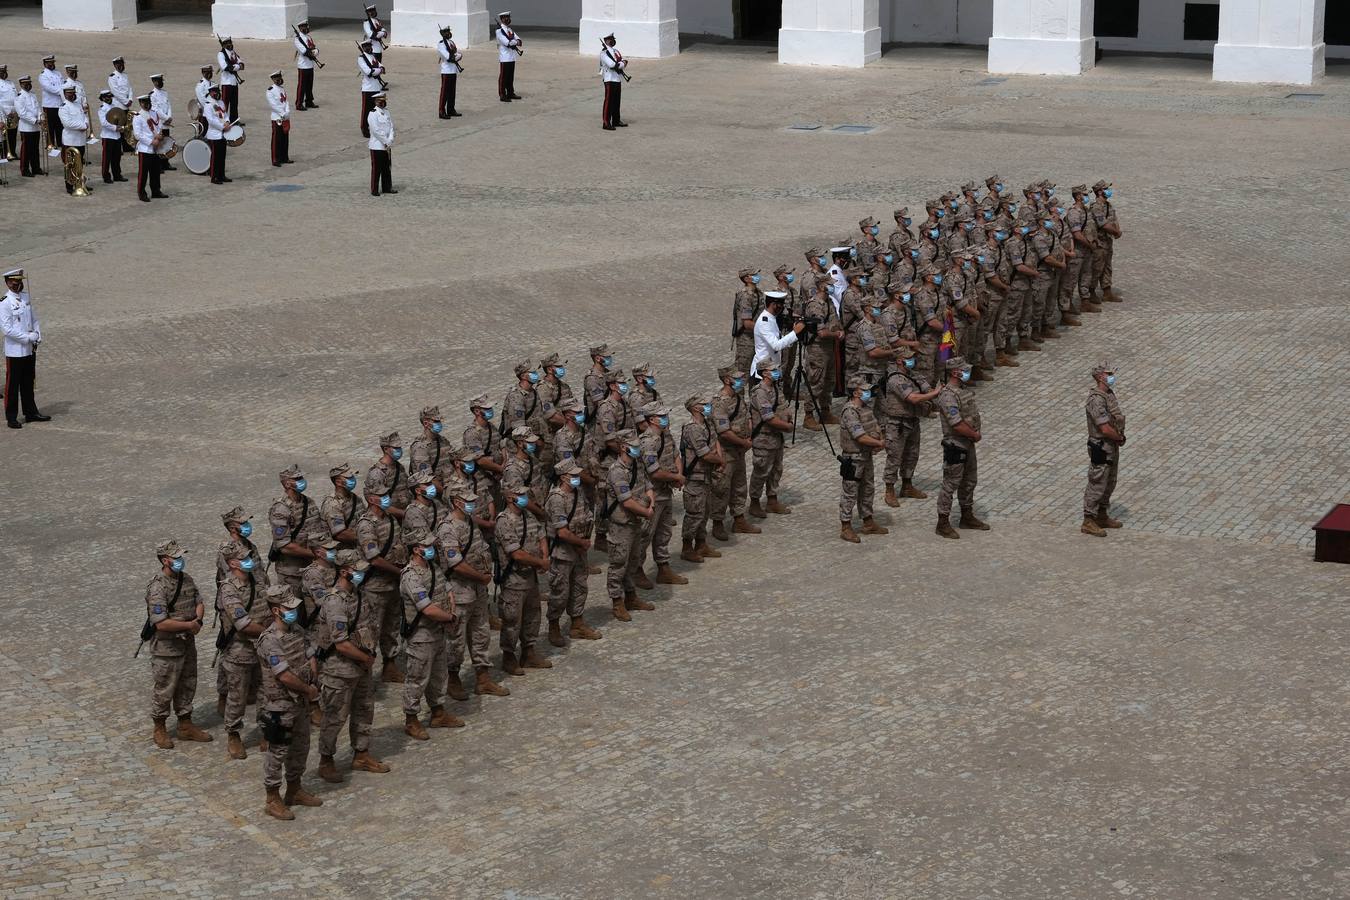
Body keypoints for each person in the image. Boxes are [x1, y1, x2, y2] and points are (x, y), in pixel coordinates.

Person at [315, 550, 390, 783]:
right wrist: (365, 658)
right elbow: (341, 643)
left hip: (361, 666)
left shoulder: (358, 595)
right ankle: (326, 760)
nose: (362, 572)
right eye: (357, 569)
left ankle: (361, 753)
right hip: (340, 669)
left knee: (364, 710)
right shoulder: (335, 601)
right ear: (345, 571)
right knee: (335, 716)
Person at [256, 584, 323, 820]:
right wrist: (309, 690)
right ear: (276, 610)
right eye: (288, 607)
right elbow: (283, 675)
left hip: (301, 702)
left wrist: (312, 678)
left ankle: (295, 789)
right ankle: (272, 797)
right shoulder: (269, 640)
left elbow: (310, 653)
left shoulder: (297, 630)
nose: (293, 611)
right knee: (278, 751)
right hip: (280, 704)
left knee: (301, 746)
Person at [436, 482, 509, 697]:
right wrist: (481, 577)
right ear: (457, 502)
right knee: (456, 640)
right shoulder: (447, 528)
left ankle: (483, 678)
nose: (472, 503)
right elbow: (455, 563)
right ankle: (453, 679)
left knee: (481, 634)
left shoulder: (469, 522)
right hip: (459, 592)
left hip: (477, 590)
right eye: (467, 500)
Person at [144, 540, 212, 750]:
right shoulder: (158, 587)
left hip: (186, 643)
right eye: (176, 557)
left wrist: (198, 622)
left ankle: (185, 724)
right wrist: (188, 624)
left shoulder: (187, 579)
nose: (181, 560)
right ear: (165, 560)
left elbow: (199, 601)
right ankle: (159, 727)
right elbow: (160, 622)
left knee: (187, 683)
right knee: (165, 688)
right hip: (167, 648)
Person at [400, 528, 461, 739]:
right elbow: (426, 609)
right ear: (416, 549)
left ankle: (438, 712)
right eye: (426, 546)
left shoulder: (433, 568)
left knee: (438, 674)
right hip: (421, 635)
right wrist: (450, 618)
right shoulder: (410, 575)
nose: (431, 549)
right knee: (417, 678)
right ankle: (411, 719)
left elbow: (448, 590)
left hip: (438, 631)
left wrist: (451, 611)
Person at [216, 543, 269, 760]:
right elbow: (243, 625)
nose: (250, 560)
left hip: (262, 648)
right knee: (237, 695)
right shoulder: (228, 589)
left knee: (266, 691)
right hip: (240, 650)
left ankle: (265, 730)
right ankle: (233, 733)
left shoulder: (258, 580)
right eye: (244, 557)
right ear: (232, 563)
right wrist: (270, 631)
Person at [495, 482, 552, 674]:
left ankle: (529, 653)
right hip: (513, 579)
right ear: (510, 497)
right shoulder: (504, 521)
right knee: (512, 620)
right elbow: (516, 554)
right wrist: (540, 563)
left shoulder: (528, 516)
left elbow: (541, 536)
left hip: (531, 576)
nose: (524, 498)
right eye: (520, 495)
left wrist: (544, 557)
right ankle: (509, 657)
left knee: (533, 615)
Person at [544, 458, 600, 644]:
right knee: (560, 591)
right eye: (573, 475)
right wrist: (581, 543)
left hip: (579, 549)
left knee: (579, 586)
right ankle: (554, 626)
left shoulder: (578, 493)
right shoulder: (556, 499)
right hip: (562, 553)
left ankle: (577, 623)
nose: (577, 477)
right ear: (563, 477)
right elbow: (562, 531)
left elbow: (587, 515)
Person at [355, 484, 407, 683]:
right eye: (382, 495)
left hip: (392, 584)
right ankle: (364, 676)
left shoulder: (391, 520)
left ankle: (390, 665)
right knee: (371, 630)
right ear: (371, 499)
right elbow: (374, 558)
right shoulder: (366, 525)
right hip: (375, 586)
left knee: (392, 626)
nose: (386, 497)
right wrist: (399, 571)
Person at [877, 346, 939, 505]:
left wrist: (933, 393)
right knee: (894, 457)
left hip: (912, 420)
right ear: (899, 360)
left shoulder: (914, 376)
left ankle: (907, 485)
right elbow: (912, 398)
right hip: (896, 424)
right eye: (908, 357)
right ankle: (889, 489)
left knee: (912, 454)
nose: (912, 360)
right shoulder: (895, 379)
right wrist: (934, 394)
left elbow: (926, 388)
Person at [934, 356, 989, 539]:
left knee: (969, 480)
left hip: (968, 443)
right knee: (951, 483)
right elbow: (956, 423)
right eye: (964, 370)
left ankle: (967, 516)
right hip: (956, 445)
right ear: (956, 372)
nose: (968, 372)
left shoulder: (962, 391)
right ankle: (942, 522)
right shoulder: (948, 395)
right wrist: (974, 434)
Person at [603, 429, 654, 621]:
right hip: (622, 525)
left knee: (633, 561)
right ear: (624, 447)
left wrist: (652, 502)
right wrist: (647, 512)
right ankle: (617, 602)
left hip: (636, 523)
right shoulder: (616, 471)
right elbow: (627, 502)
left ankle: (631, 596)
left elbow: (648, 485)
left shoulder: (636, 465)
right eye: (633, 446)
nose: (637, 449)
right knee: (619, 564)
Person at [638, 402, 687, 584]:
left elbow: (675, 454)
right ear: (651, 419)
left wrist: (679, 475)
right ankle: (636, 570)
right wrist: (675, 478)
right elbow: (654, 472)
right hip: (652, 494)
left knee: (664, 531)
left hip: (665, 491)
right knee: (646, 535)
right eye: (662, 416)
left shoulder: (665, 435)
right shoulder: (648, 441)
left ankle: (663, 567)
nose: (666, 418)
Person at [837, 375, 888, 543]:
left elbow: (875, 427)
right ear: (856, 393)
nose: (868, 392)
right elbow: (859, 436)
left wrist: (878, 442)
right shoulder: (849, 411)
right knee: (850, 492)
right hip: (853, 458)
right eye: (864, 389)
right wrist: (878, 443)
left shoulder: (865, 408)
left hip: (866, 457)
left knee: (867, 489)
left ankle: (868, 521)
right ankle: (846, 526)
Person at [709, 367, 755, 540]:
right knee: (721, 487)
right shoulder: (719, 402)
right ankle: (718, 522)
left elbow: (745, 417)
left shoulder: (738, 397)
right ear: (727, 380)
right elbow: (724, 431)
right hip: (726, 450)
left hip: (739, 450)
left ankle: (739, 518)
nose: (742, 381)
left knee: (739, 484)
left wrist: (748, 434)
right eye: (738, 379)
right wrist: (744, 442)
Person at [1082, 362, 1126, 536]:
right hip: (1101, 445)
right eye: (1109, 373)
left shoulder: (1108, 394)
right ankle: (1088, 520)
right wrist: (1119, 437)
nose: (1112, 376)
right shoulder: (1096, 400)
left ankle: (1101, 514)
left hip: (1111, 444)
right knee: (1097, 482)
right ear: (1100, 376)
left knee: (1110, 481)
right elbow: (1105, 428)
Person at [680, 393, 725, 562]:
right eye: (704, 404)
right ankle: (687, 547)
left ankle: (701, 543)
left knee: (705, 511)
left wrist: (721, 459)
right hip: (695, 476)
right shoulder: (692, 428)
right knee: (694, 513)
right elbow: (704, 454)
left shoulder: (706, 423)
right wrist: (719, 460)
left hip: (707, 474)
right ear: (695, 408)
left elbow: (715, 442)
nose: (708, 406)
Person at [2, 269, 48, 428]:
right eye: (15, 282)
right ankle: (11, 417)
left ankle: (30, 412)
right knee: (12, 385)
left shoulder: (26, 297)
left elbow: (34, 319)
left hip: (29, 349)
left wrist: (37, 334)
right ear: (8, 283)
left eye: (20, 281)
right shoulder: (4, 302)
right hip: (15, 351)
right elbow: (7, 329)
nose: (19, 284)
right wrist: (28, 338)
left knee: (28, 382)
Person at [747, 362, 793, 517]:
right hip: (763, 438)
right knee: (761, 471)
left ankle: (772, 500)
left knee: (776, 470)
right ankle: (754, 502)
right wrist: (786, 427)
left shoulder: (775, 388)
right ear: (765, 373)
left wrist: (788, 419)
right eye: (773, 370)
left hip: (776, 437)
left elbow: (784, 407)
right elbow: (768, 418)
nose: (777, 371)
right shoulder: (759, 393)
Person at [268, 464, 318, 593]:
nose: (302, 481)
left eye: (301, 477)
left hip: (312, 568)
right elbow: (284, 546)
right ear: (287, 484)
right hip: (291, 573)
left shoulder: (309, 502)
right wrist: (314, 554)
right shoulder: (280, 509)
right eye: (297, 479)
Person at [752, 291, 805, 380]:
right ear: (773, 304)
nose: (782, 308)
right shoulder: (764, 322)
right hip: (763, 371)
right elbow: (776, 345)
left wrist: (794, 337)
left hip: (771, 367)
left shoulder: (771, 318)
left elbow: (778, 338)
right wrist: (795, 332)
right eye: (780, 305)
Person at [1089, 180, 1123, 302]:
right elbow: (1102, 224)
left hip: (1108, 241)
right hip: (1099, 242)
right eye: (1106, 189)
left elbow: (1114, 220)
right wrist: (1116, 232)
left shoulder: (1109, 206)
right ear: (1099, 192)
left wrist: (1117, 231)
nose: (1109, 191)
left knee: (1107, 267)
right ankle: (1090, 291)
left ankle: (1107, 291)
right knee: (1096, 267)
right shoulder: (1096, 207)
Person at [365, 430, 411, 517]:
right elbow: (380, 504)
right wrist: (404, 514)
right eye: (396, 448)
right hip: (390, 518)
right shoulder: (377, 474)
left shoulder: (399, 466)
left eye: (399, 447)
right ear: (386, 449)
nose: (399, 450)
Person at [131, 94, 167, 202]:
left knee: (155, 171)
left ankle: (156, 191)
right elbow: (138, 135)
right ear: (140, 104)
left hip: (156, 149)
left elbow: (158, 126)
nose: (146, 105)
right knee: (143, 173)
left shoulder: (154, 113)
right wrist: (152, 141)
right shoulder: (138, 117)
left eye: (147, 102)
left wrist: (160, 135)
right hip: (145, 149)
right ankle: (141, 193)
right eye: (144, 103)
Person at [57, 84, 88, 193]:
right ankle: (70, 186)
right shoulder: (63, 107)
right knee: (70, 165)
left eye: (73, 93)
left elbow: (85, 117)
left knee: (80, 164)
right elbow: (67, 123)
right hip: (70, 140)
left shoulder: (78, 104)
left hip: (80, 139)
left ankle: (80, 183)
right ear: (65, 95)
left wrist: (86, 124)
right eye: (69, 93)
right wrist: (83, 126)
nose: (72, 95)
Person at [731, 268, 762, 374]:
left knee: (755, 372)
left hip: (756, 338)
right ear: (746, 279)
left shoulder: (758, 293)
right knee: (742, 373)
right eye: (754, 274)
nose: (757, 276)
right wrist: (765, 329)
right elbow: (747, 323)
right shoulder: (745, 296)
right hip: (746, 340)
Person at [202, 83, 231, 185]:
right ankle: (214, 176)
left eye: (218, 91)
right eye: (215, 91)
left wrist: (227, 121)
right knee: (215, 157)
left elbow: (225, 114)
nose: (217, 93)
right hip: (214, 135)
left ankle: (221, 175)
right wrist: (223, 127)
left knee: (222, 155)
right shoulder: (208, 105)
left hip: (223, 134)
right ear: (210, 93)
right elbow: (211, 120)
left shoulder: (221, 103)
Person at [367, 92, 395, 197]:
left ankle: (387, 187)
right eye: (380, 101)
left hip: (387, 145)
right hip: (377, 145)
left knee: (387, 167)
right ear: (376, 102)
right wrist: (386, 141)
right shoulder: (372, 113)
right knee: (376, 168)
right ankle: (374, 189)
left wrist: (390, 139)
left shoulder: (387, 112)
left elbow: (391, 126)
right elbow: (375, 130)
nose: (383, 103)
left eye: (384, 101)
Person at [96, 89, 126, 185]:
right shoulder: (102, 109)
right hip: (108, 136)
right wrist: (116, 128)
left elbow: (120, 117)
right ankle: (106, 176)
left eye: (110, 97)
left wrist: (121, 126)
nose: (109, 99)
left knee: (117, 157)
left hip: (116, 136)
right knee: (106, 158)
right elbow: (104, 123)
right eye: (106, 97)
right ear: (103, 98)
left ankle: (117, 175)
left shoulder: (114, 106)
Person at [357, 41, 385, 139]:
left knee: (377, 109)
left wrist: (378, 70)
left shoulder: (372, 57)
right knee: (366, 110)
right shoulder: (361, 59)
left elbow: (382, 67)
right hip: (368, 88)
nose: (370, 48)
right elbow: (369, 72)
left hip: (376, 87)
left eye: (370, 46)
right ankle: (364, 128)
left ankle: (375, 127)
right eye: (367, 47)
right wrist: (378, 70)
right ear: (363, 48)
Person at [15, 76, 42, 178]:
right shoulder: (19, 97)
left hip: (35, 127)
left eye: (29, 83)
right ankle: (24, 169)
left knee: (35, 149)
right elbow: (22, 113)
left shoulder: (33, 95)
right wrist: (35, 120)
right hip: (26, 127)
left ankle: (36, 168)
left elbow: (38, 108)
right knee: (26, 150)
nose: (28, 85)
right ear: (21, 85)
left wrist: (40, 117)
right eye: (26, 83)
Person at [599, 33, 627, 130]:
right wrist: (620, 64)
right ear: (606, 41)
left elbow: (624, 61)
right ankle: (606, 122)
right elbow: (611, 65)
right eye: (610, 39)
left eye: (613, 39)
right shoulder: (604, 53)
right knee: (608, 101)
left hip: (617, 78)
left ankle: (616, 120)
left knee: (616, 101)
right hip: (609, 79)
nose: (612, 41)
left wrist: (620, 64)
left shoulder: (616, 51)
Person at [266, 71, 293, 167]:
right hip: (277, 117)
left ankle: (284, 157)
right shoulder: (270, 90)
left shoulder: (282, 89)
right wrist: (282, 113)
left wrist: (287, 112)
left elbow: (286, 101)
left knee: (285, 138)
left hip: (285, 116)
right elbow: (273, 105)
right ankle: (275, 159)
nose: (279, 80)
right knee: (276, 138)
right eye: (277, 78)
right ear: (273, 80)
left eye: (280, 78)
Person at [147, 74, 174, 171]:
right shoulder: (152, 95)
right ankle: (158, 165)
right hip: (159, 123)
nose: (161, 83)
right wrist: (166, 118)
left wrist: (169, 117)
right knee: (159, 145)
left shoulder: (165, 93)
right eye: (159, 81)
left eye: (161, 80)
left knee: (166, 143)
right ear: (154, 82)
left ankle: (166, 163)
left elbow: (168, 105)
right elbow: (156, 109)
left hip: (166, 123)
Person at [436, 25, 463, 119]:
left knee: (452, 91)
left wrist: (458, 56)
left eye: (448, 31)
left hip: (453, 70)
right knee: (444, 92)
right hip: (446, 70)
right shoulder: (441, 44)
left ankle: (451, 109)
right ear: (442, 33)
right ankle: (441, 111)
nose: (448, 33)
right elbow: (448, 57)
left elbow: (457, 53)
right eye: (445, 31)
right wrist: (456, 57)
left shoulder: (451, 42)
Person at [216, 36, 245, 123]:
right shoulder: (221, 54)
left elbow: (242, 65)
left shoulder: (233, 53)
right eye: (228, 43)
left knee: (234, 103)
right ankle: (224, 120)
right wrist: (237, 66)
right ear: (224, 45)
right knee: (225, 103)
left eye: (230, 42)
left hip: (234, 82)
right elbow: (225, 67)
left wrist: (236, 66)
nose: (230, 44)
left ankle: (234, 120)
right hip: (226, 82)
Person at [496, 12, 523, 102]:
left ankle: (510, 92)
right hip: (505, 57)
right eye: (505, 18)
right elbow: (507, 43)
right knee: (503, 77)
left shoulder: (510, 30)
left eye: (508, 17)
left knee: (510, 76)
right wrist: (514, 41)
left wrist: (514, 41)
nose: (507, 19)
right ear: (501, 19)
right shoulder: (499, 31)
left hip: (512, 56)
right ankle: (502, 94)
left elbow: (519, 41)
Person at [293, 20, 319, 110]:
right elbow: (303, 51)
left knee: (309, 85)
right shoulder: (297, 39)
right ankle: (299, 103)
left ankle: (309, 101)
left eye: (305, 26)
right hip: (303, 65)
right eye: (302, 26)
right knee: (301, 85)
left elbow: (314, 48)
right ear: (299, 28)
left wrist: (315, 52)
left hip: (310, 65)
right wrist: (311, 54)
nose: (305, 28)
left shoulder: (308, 37)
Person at [38, 56, 64, 148]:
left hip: (59, 104)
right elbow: (49, 88)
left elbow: (63, 84)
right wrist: (62, 92)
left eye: (53, 62)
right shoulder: (43, 75)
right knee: (49, 126)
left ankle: (60, 143)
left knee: (59, 124)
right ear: (45, 64)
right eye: (50, 63)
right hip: (49, 104)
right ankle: (50, 143)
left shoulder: (58, 73)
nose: (52, 64)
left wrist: (63, 91)